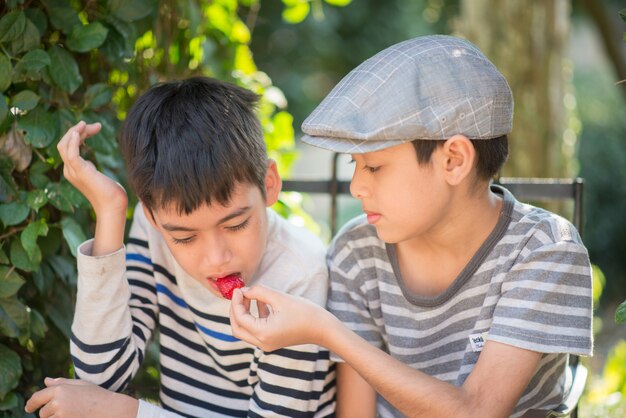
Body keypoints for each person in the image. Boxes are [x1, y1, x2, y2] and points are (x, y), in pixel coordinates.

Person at [229, 35, 593, 418]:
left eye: (374, 167)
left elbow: (478, 412)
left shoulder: (544, 250)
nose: (356, 186)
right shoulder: (358, 249)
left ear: (454, 160)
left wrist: (326, 330)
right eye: (355, 165)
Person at [25, 77, 336, 418]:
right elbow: (102, 376)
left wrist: (126, 412)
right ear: (153, 218)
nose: (217, 258)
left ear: (269, 185)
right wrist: (110, 211)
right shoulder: (154, 231)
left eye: (236, 225)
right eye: (186, 238)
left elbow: (103, 402)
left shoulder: (298, 275)